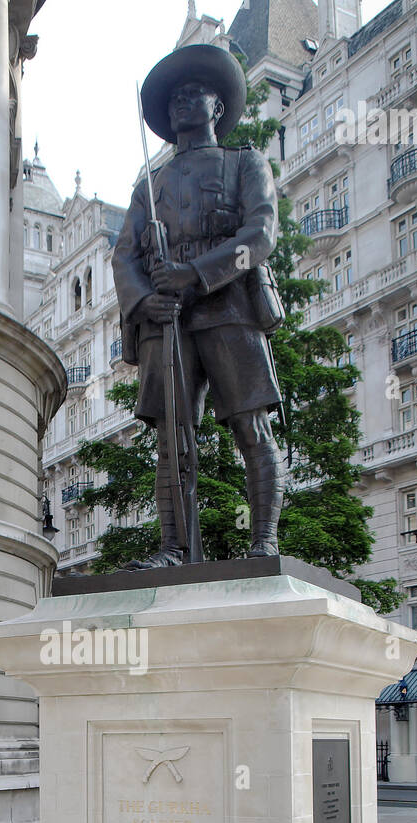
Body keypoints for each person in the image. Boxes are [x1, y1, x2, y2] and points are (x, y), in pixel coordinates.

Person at [112, 43, 284, 566]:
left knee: (251, 428)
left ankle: (264, 541)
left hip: (228, 306)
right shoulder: (150, 184)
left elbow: (260, 234)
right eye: (174, 99)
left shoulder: (244, 163)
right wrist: (145, 301)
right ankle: (173, 548)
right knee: (171, 438)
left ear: (217, 105)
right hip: (168, 322)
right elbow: (124, 255)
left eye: (195, 93)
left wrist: (193, 274)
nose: (182, 102)